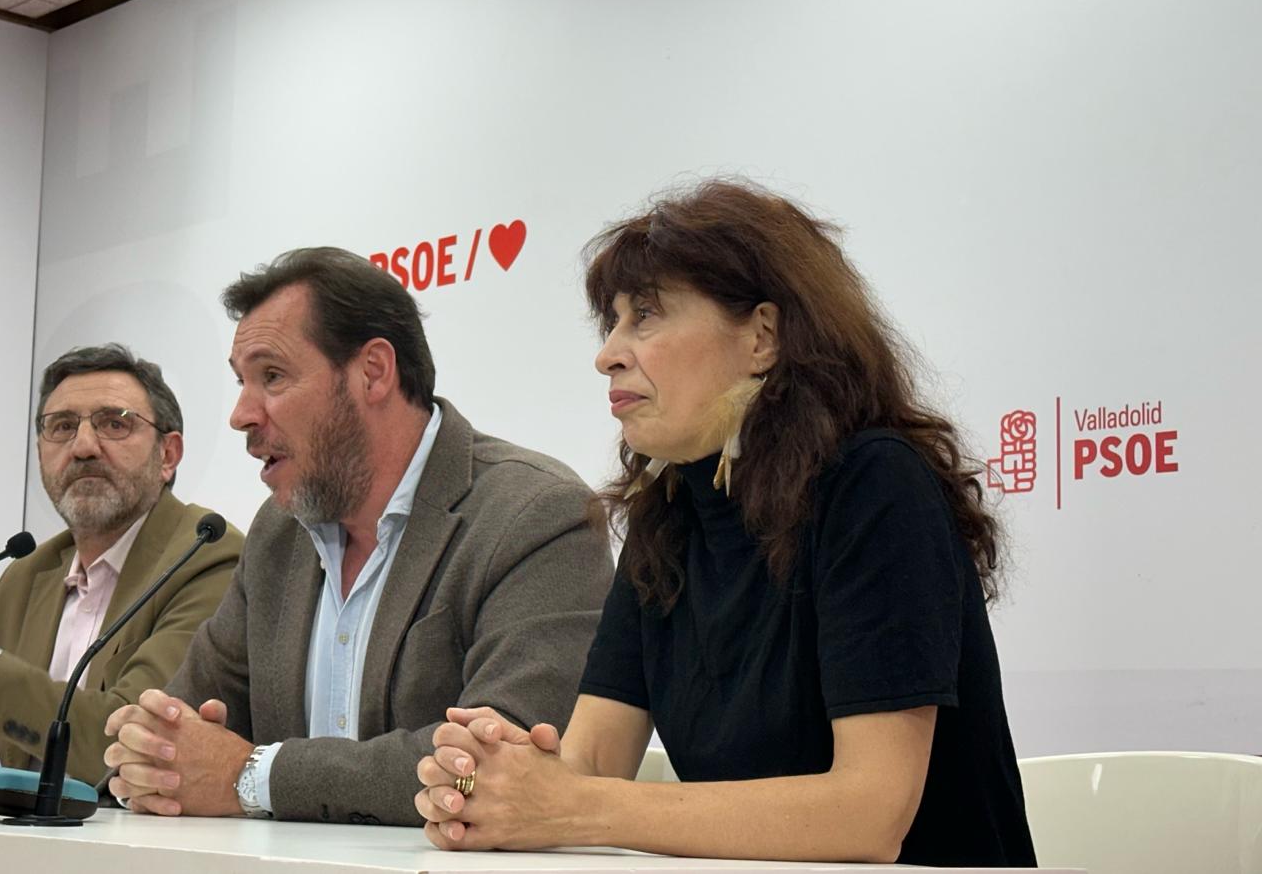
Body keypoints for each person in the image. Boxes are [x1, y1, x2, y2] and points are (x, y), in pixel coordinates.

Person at [414, 180, 1038, 866]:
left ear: (763, 337)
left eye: (645, 316)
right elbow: (592, 757)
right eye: (611, 323)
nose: (608, 354)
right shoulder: (669, 516)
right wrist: (488, 780)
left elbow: (869, 815)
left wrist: (570, 804)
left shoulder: (877, 485)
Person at [101, 247, 612, 825]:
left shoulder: (536, 516)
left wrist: (252, 776)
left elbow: (490, 767)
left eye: (272, 376)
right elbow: (182, 724)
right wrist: (149, 753)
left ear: (373, 371)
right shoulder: (277, 535)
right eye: (241, 382)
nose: (241, 414)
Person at [0, 344, 241, 781]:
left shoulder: (206, 555)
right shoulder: (29, 574)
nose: (84, 446)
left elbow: (123, 745)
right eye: (63, 427)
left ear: (168, 455)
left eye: (114, 424)